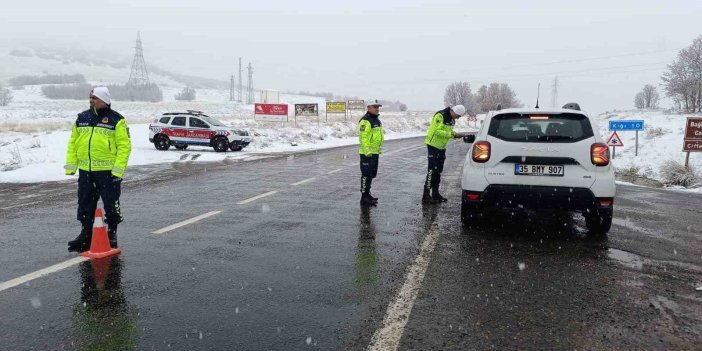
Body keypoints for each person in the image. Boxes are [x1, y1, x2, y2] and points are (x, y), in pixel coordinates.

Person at [65, 87, 132, 252]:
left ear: (104, 100)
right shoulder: (82, 118)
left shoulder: (117, 120)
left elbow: (124, 147)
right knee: (85, 203)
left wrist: (117, 171)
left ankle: (112, 233)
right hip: (86, 170)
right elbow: (73, 143)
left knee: (111, 203)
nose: (91, 100)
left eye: (94, 98)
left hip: (107, 172)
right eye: (90, 97)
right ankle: (85, 234)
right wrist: (71, 165)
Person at [422, 104, 466, 203]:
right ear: (454, 111)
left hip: (441, 147)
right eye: (458, 116)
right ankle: (426, 195)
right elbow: (436, 131)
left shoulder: (451, 120)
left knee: (438, 171)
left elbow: (447, 133)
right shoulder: (440, 116)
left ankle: (435, 193)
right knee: (431, 171)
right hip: (433, 146)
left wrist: (455, 135)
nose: (458, 118)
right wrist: (452, 134)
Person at [358, 100, 385, 207]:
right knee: (365, 175)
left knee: (371, 175)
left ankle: (367, 194)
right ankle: (363, 197)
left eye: (378, 107)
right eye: (375, 107)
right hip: (367, 153)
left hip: (374, 152)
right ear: (369, 108)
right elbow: (363, 137)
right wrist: (367, 150)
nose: (377, 109)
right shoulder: (365, 121)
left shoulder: (377, 120)